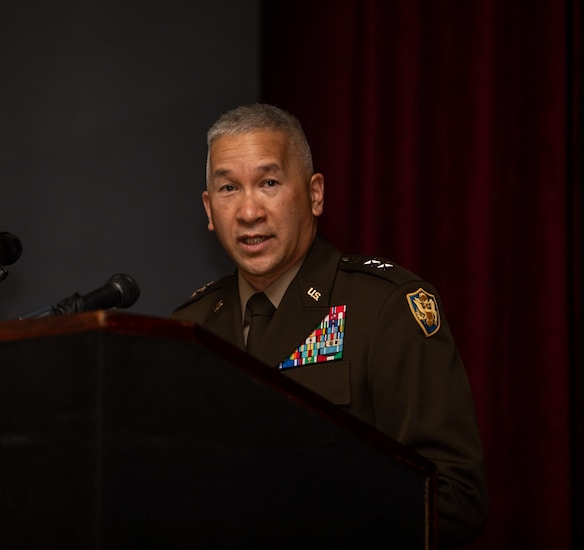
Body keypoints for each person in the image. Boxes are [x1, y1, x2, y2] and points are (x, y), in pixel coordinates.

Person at [172, 103, 488, 547]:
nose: (248, 212)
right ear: (209, 208)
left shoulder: (383, 307)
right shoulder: (189, 328)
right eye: (228, 188)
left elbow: (455, 497)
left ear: (315, 194)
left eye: (268, 183)